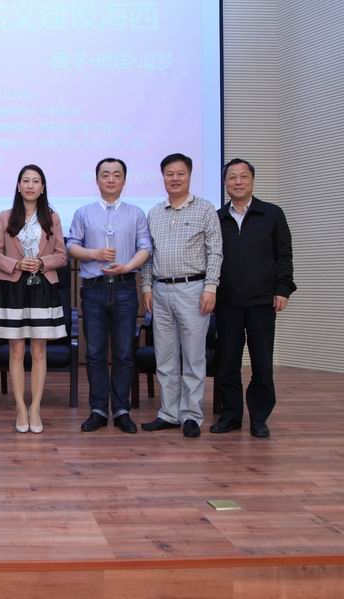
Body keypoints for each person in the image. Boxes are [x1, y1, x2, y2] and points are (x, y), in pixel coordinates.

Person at [211, 159, 296, 438]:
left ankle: (259, 417)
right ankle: (231, 415)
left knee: (262, 363)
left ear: (252, 180)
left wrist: (282, 289)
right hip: (226, 302)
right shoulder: (216, 217)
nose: (237, 182)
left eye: (243, 177)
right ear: (225, 183)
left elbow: (284, 254)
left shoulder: (272, 214)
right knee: (227, 363)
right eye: (232, 177)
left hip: (262, 301)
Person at [140, 153, 223, 438]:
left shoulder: (205, 209)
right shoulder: (154, 213)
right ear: (162, 177)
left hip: (193, 290)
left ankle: (191, 415)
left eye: (180, 173)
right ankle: (168, 413)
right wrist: (146, 287)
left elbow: (215, 251)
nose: (174, 178)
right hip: (160, 290)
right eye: (169, 174)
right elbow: (148, 256)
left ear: (189, 175)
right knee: (165, 357)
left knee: (193, 357)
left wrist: (211, 287)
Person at [67, 158, 151, 433]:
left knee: (124, 352)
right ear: (97, 180)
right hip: (94, 289)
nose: (111, 179)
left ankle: (122, 410)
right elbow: (71, 246)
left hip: (125, 287)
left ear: (124, 180)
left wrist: (127, 266)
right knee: (95, 353)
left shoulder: (136, 213)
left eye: (116, 175)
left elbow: (145, 248)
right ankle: (98, 410)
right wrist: (95, 254)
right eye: (105, 175)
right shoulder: (84, 213)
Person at [0, 165, 68, 434]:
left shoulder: (52, 218)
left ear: (42, 188)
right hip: (13, 288)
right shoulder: (5, 217)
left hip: (42, 287)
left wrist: (42, 262)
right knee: (16, 351)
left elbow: (62, 256)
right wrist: (17, 264)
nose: (30, 185)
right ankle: (21, 408)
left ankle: (35, 408)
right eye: (26, 180)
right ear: (18, 185)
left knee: (39, 351)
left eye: (36, 181)